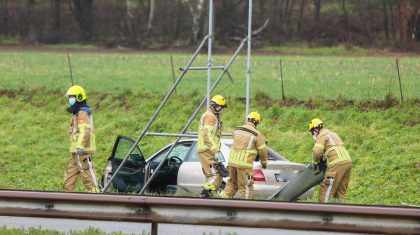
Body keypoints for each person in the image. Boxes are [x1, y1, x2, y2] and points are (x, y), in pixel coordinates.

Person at [219, 111, 268, 200]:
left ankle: (220, 201)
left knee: (231, 184)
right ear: (256, 122)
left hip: (232, 163)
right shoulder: (257, 134)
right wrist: (264, 163)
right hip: (244, 165)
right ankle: (246, 209)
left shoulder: (237, 130)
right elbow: (263, 151)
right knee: (246, 187)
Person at [63, 85, 100, 193]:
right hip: (76, 152)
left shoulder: (82, 113)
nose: (70, 99)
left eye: (72, 97)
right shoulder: (77, 113)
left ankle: (95, 196)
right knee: (69, 176)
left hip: (82, 151)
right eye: (69, 97)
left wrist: (80, 146)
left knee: (87, 174)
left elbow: (85, 131)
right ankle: (66, 196)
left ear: (79, 97)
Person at [309, 118, 352, 203]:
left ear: (316, 129)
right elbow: (332, 148)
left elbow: (317, 152)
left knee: (325, 193)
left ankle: (322, 214)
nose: (312, 134)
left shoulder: (321, 135)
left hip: (336, 164)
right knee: (340, 194)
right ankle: (339, 214)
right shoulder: (332, 133)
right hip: (348, 163)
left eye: (312, 132)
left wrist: (316, 162)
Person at [198, 95, 227, 198]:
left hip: (208, 150)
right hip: (207, 150)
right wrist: (215, 150)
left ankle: (206, 197)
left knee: (211, 176)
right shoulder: (210, 117)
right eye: (220, 107)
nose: (221, 109)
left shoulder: (213, 116)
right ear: (214, 105)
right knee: (216, 176)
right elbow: (207, 135)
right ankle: (205, 196)